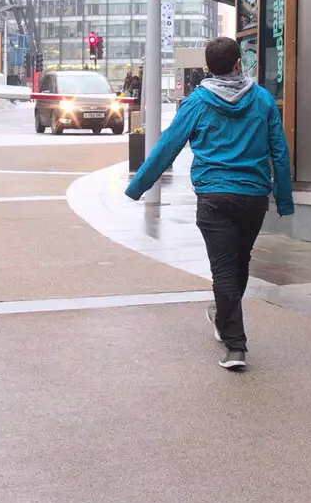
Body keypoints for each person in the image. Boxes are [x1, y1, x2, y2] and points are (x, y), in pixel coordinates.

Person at [125, 37, 294, 371]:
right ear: (237, 64)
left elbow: (167, 146)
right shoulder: (261, 99)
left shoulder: (198, 101)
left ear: (208, 67)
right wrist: (284, 198)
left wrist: (138, 186)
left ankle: (235, 346)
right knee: (238, 262)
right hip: (253, 196)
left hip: (214, 197)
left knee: (224, 268)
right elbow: (279, 150)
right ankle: (224, 317)